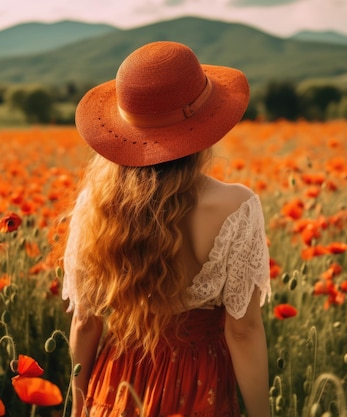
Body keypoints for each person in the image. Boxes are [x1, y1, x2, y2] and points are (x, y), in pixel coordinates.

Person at [62, 41, 272, 417]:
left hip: (116, 384)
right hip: (197, 383)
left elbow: (85, 321)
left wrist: (77, 406)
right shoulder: (236, 206)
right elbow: (243, 331)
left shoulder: (94, 206)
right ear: (205, 124)